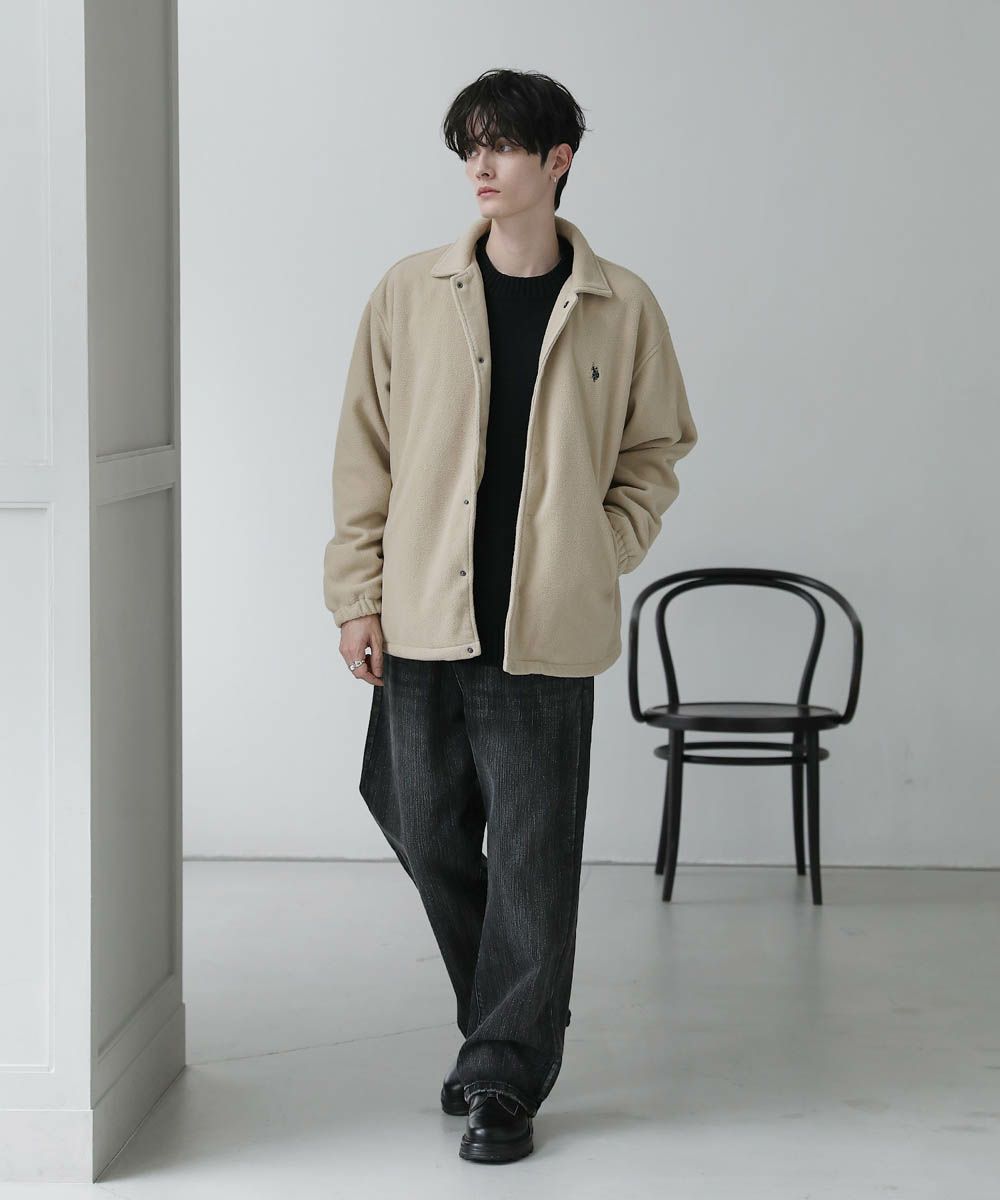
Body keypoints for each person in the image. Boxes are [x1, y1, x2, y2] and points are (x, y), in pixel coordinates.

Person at [322, 67, 697, 1164]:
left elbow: (656, 450)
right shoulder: (410, 292)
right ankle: (515, 1011)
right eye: (469, 148)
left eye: (501, 146)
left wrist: (598, 549)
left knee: (532, 853)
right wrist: (356, 595)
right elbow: (364, 452)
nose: (480, 167)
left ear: (557, 160)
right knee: (412, 813)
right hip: (423, 615)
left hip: (543, 627)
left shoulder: (622, 306)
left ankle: (503, 1072)